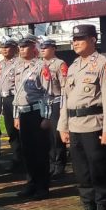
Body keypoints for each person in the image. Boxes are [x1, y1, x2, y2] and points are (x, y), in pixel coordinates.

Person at [58, 23, 106, 210]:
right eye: (74, 39)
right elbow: (65, 99)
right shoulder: (74, 65)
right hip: (74, 126)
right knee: (82, 173)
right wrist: (63, 126)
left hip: (94, 126)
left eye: (80, 39)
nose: (75, 43)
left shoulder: (103, 64)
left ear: (93, 39)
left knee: (99, 171)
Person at [12, 35, 55, 200]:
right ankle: (31, 183)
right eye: (20, 47)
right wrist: (16, 116)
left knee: (40, 152)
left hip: (37, 113)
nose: (21, 49)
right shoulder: (17, 67)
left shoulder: (41, 66)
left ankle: (42, 186)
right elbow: (17, 93)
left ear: (33, 48)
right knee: (27, 151)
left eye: (25, 46)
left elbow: (48, 93)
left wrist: (47, 117)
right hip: (23, 113)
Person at [40, 37, 69, 178]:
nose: (43, 50)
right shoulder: (39, 64)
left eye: (46, 47)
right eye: (41, 47)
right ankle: (51, 163)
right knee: (47, 136)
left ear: (53, 48)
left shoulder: (59, 64)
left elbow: (64, 87)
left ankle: (59, 164)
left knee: (56, 135)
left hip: (57, 101)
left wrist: (64, 106)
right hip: (44, 102)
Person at [0, 38, 22, 172]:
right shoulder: (0, 64)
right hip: (5, 99)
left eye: (7, 47)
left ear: (14, 48)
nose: (4, 49)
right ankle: (16, 158)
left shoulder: (19, 63)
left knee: (20, 131)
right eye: (2, 47)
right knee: (10, 130)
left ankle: (23, 159)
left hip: (15, 98)